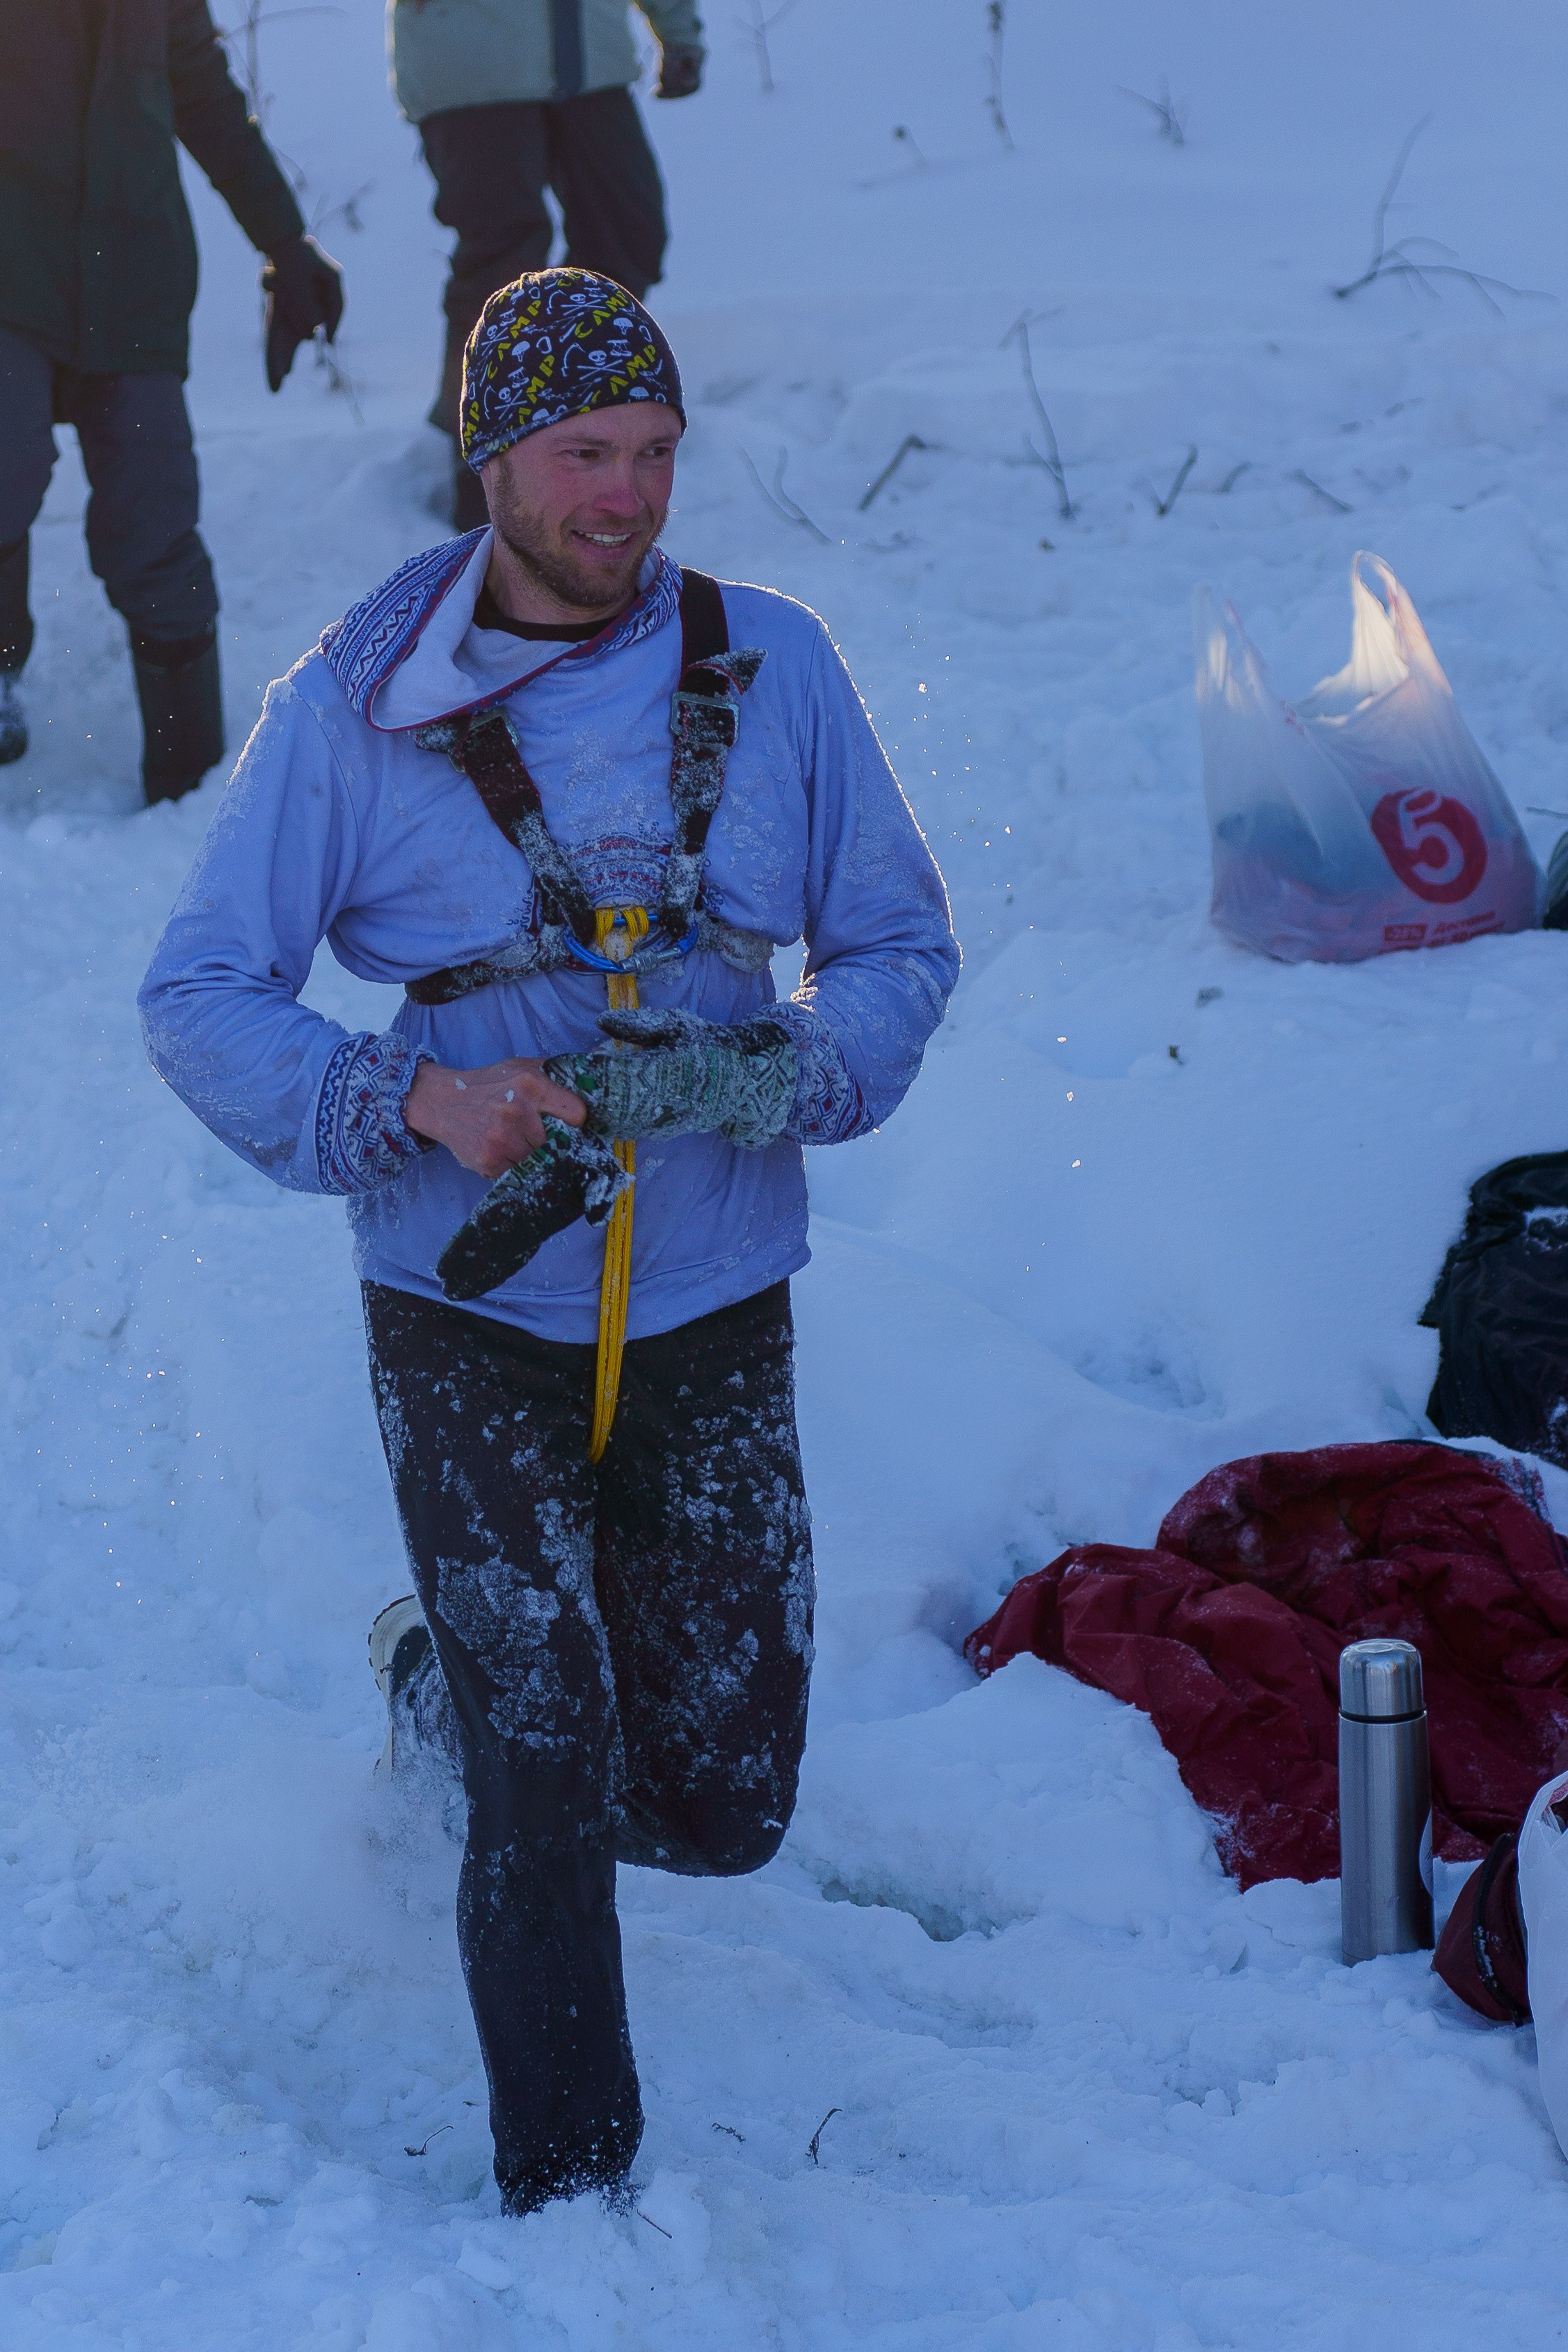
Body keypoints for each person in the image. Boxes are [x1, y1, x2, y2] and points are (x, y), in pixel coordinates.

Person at [139, 266, 959, 2214]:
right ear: (492, 459)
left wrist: (783, 1073)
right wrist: (418, 1102)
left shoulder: (774, 666)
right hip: (466, 1298)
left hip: (713, 1289)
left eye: (656, 450)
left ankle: (427, 1696)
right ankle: (575, 2207)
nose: (627, 495)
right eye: (585, 452)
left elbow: (898, 949)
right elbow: (200, 994)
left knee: (726, 1798)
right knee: (546, 1753)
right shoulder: (353, 706)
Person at [0, 0, 344, 801]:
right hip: (10, 273)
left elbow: (205, 94)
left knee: (154, 518)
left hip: (133, 275)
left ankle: (191, 784)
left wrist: (284, 241)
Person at [387, 0, 704, 528]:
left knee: (626, 237)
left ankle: (581, 426)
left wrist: (678, 31)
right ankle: (486, 466)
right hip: (472, 60)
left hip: (590, 61)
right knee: (501, 258)